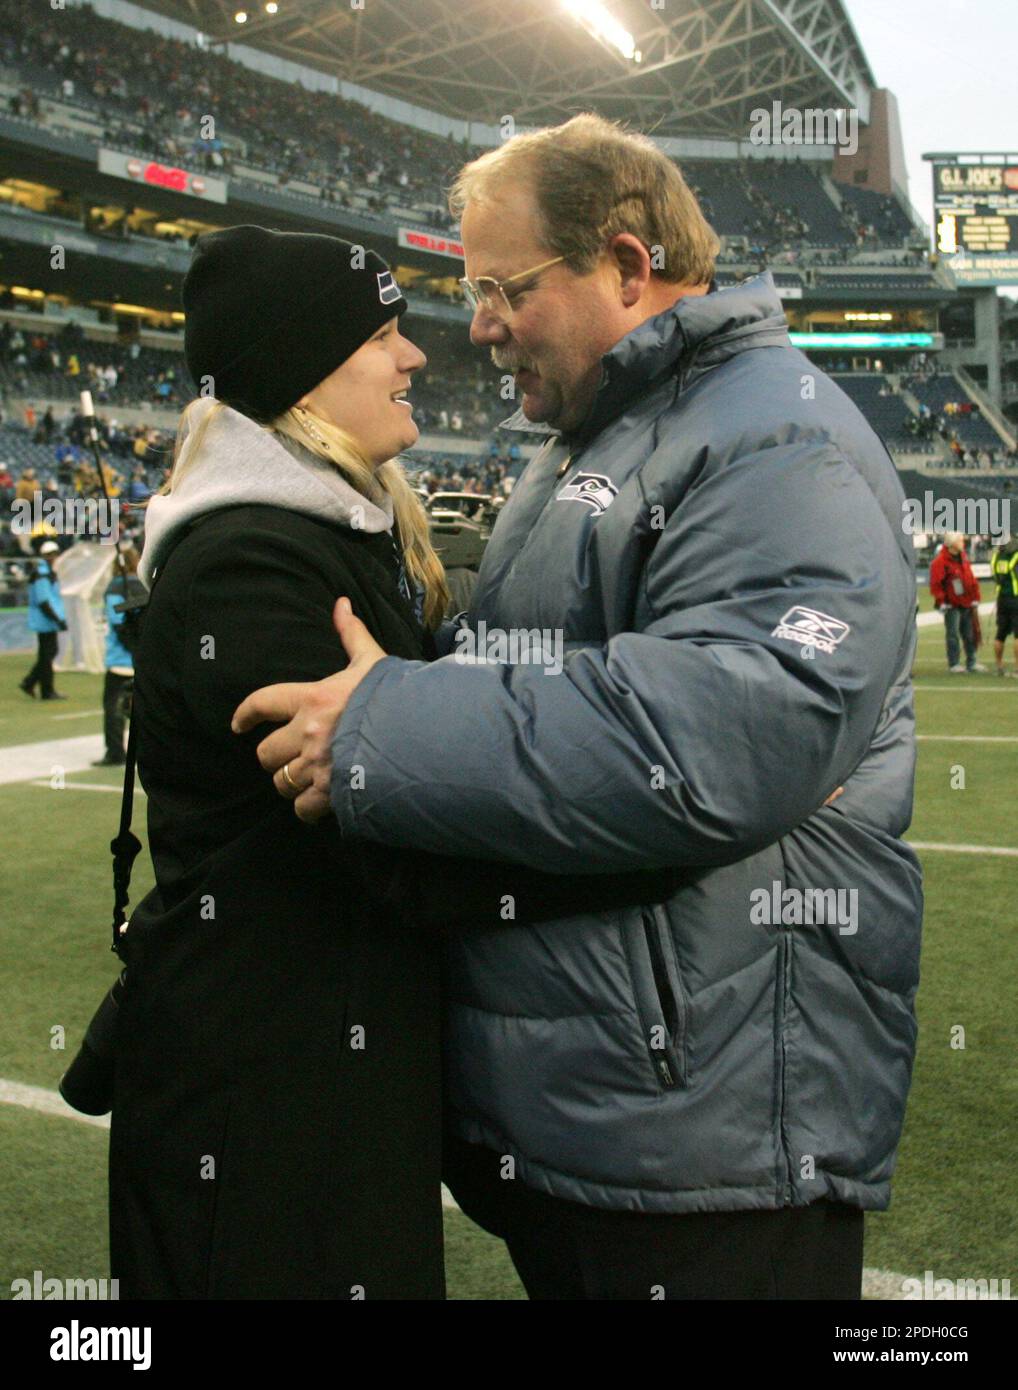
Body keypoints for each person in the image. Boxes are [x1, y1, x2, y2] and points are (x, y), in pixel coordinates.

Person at [234, 115, 924, 1301]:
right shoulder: (593, 438)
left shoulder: (772, 434)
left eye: (503, 287)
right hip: (614, 1114)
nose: (478, 324)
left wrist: (386, 725)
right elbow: (536, 668)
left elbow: (723, 730)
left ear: (624, 264)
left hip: (712, 1144)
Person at [110, 224, 670, 1300]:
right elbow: (397, 850)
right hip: (266, 1095)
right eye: (380, 333)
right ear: (300, 373)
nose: (416, 355)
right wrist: (669, 835)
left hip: (323, 1071)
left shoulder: (326, 538)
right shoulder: (254, 563)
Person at [92, 546, 146, 767]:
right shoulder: (145, 587)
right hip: (142, 661)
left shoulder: (115, 588)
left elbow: (117, 622)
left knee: (113, 709)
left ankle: (115, 752)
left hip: (119, 661)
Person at [929, 530, 986, 672]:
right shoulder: (940, 562)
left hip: (966, 602)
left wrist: (975, 597)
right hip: (951, 604)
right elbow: (936, 583)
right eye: (960, 540)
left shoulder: (963, 558)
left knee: (969, 633)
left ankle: (971, 661)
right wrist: (941, 601)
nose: (963, 542)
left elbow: (971, 579)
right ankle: (954, 663)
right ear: (952, 543)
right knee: (953, 634)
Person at [19, 539, 67, 700]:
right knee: (48, 654)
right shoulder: (42, 574)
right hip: (44, 620)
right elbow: (44, 600)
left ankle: (31, 683)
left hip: (46, 620)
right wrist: (57, 619)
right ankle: (44, 689)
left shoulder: (44, 572)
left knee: (47, 654)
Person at [990, 533, 1018, 677]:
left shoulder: (996, 557)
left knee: (1000, 634)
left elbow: (995, 576)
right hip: (1016, 597)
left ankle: (999, 666)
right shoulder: (1016, 556)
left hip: (1002, 598)